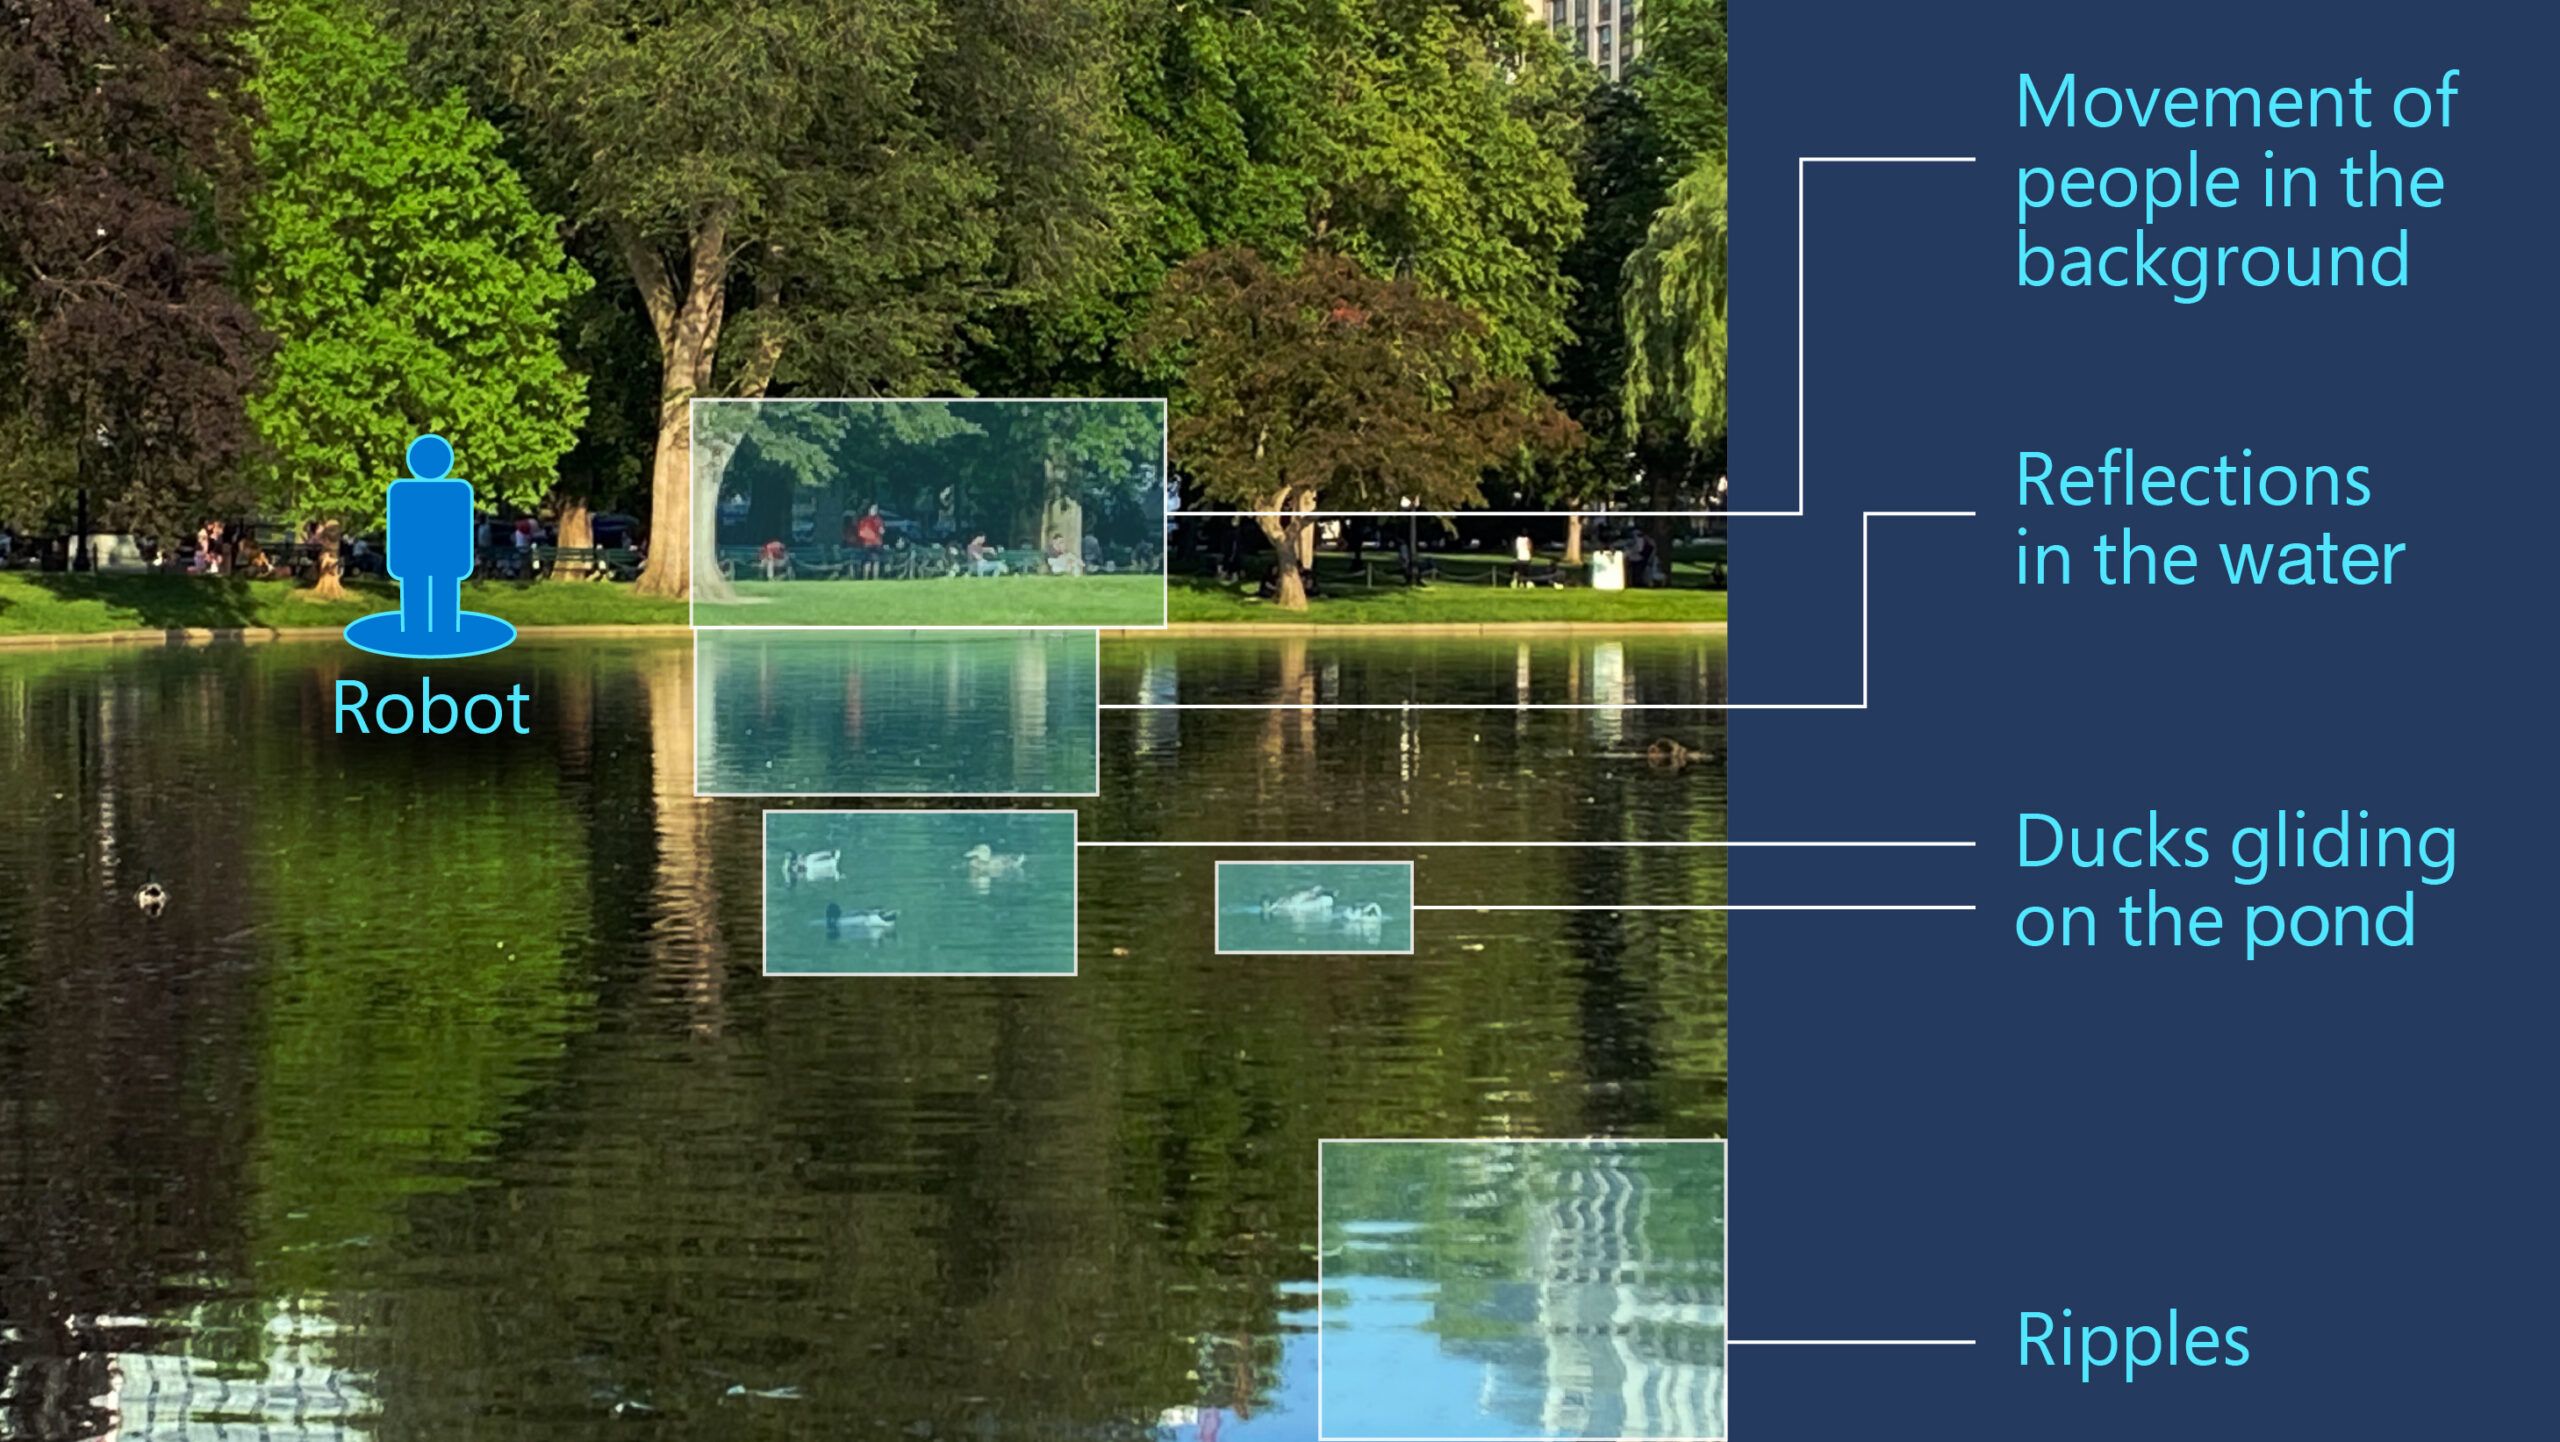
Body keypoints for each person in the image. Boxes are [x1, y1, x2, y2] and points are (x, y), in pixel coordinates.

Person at [854, 504, 885, 579]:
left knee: (869, 561)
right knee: (874, 561)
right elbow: (882, 531)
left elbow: (860, 532)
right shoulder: (877, 520)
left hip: (869, 543)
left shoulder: (864, 520)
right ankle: (874, 578)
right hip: (874, 543)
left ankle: (867, 578)